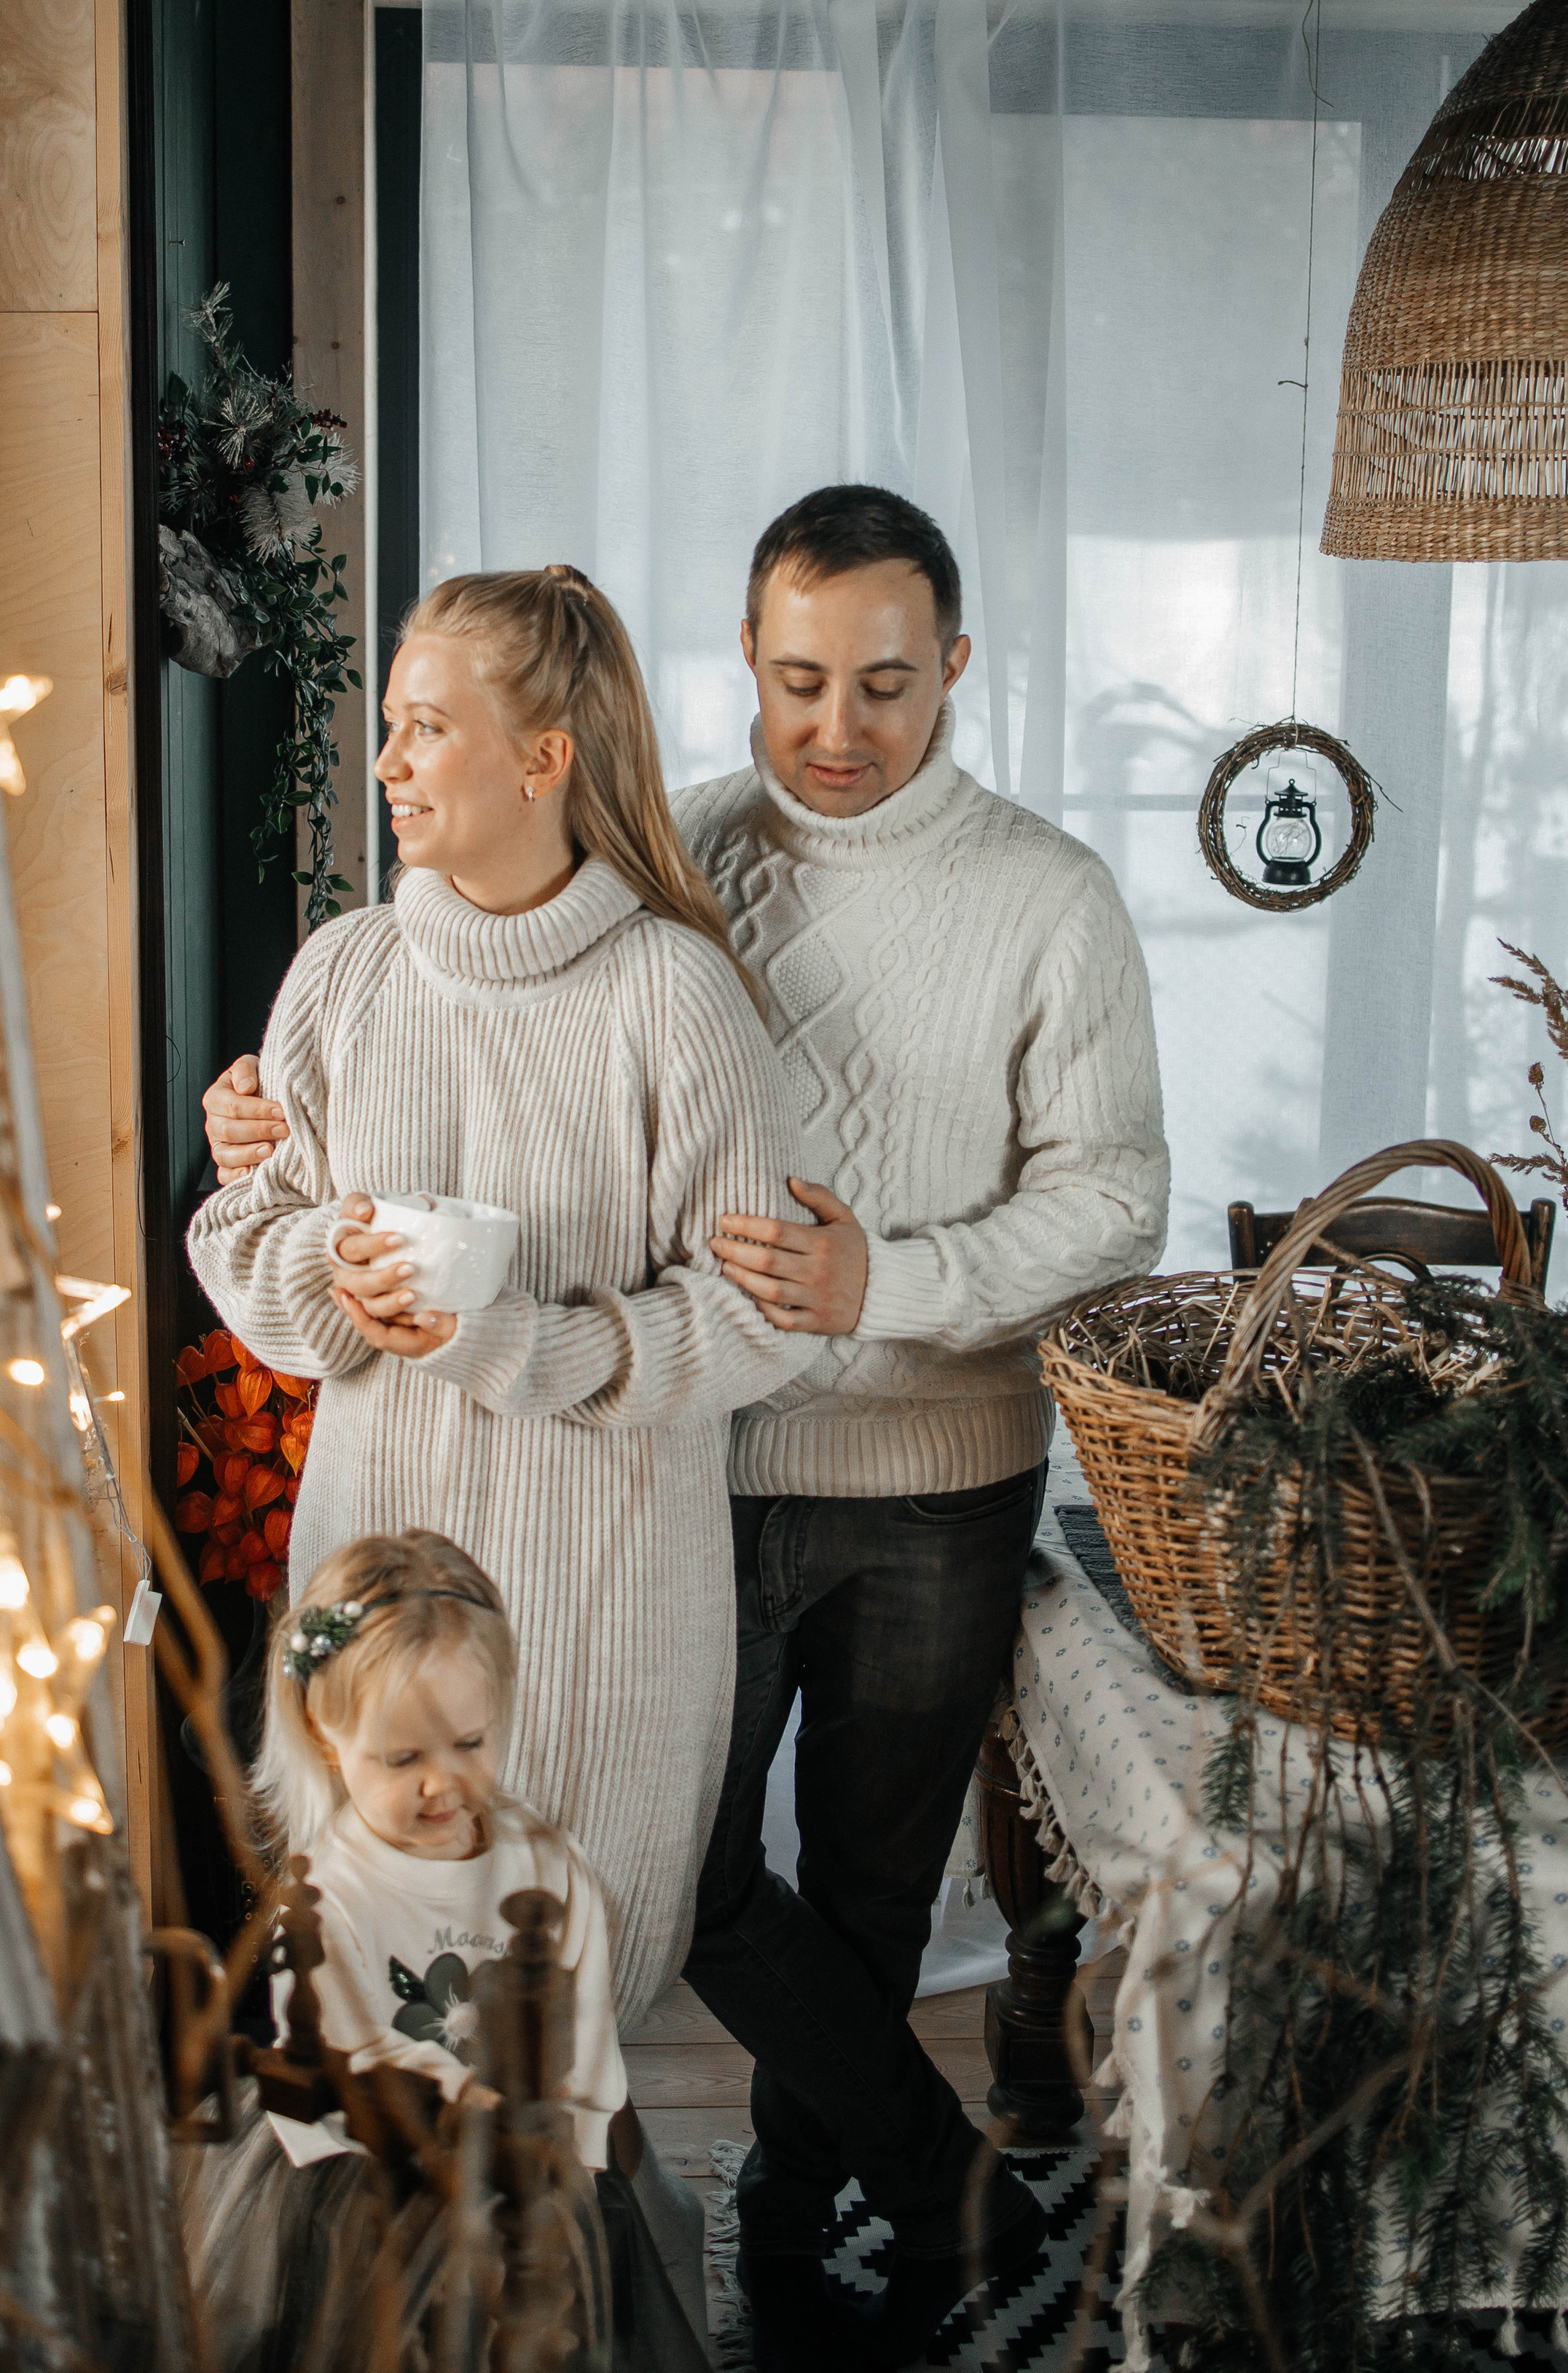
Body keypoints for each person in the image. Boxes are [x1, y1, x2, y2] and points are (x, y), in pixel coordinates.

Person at [205, 493, 1168, 2373]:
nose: (838, 723)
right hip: (709, 1471)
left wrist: (868, 1280)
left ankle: (803, 2234)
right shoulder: (678, 865)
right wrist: (277, 1175)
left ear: (953, 671)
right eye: (800, 679)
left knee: (861, 1887)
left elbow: (1112, 1201)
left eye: (885, 684)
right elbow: (323, 1164)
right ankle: (876, 2188)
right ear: (745, 668)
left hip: (919, 1457)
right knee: (681, 1882)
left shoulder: (1037, 897)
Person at [187, 563, 805, 2045]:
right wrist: (324, 1276)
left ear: (544, 759)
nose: (388, 764)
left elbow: (749, 1323)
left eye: (425, 730)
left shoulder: (676, 998)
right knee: (367, 2021)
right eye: (389, 729)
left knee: (552, 2026)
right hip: (369, 1571)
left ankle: (559, 2280)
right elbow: (247, 1238)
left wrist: (510, 1339)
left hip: (600, 1597)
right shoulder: (342, 974)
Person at [181, 1528, 705, 2373]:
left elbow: (582, 2015)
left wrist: (584, 2127)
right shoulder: (329, 1897)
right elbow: (338, 2068)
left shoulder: (543, 1864)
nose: (442, 1782)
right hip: (377, 2182)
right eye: (402, 1758)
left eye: (470, 1744)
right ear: (327, 1739)